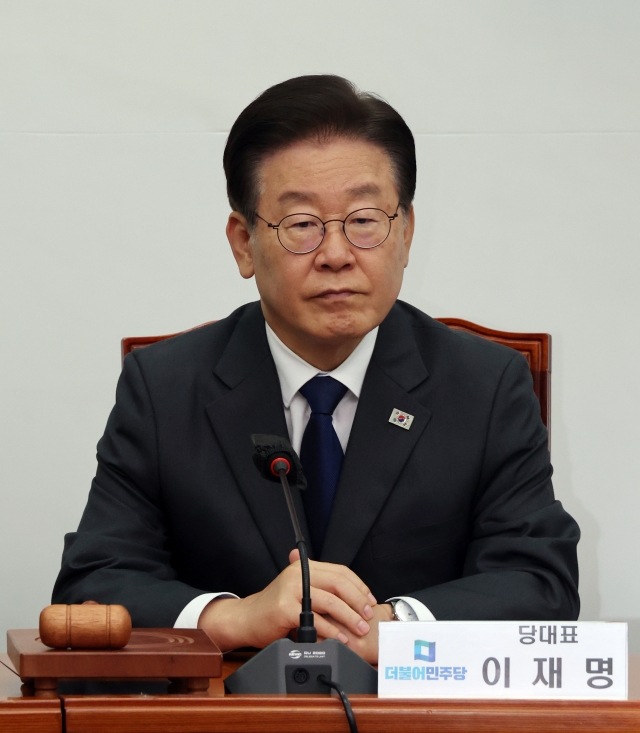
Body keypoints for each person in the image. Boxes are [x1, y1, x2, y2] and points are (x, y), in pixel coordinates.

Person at [52, 75, 580, 664]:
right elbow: (93, 584)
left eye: (364, 219)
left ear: (405, 232)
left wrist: (396, 628)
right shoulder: (165, 388)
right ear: (243, 243)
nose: (335, 254)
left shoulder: (484, 386)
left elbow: (541, 584)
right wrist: (236, 616)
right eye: (301, 224)